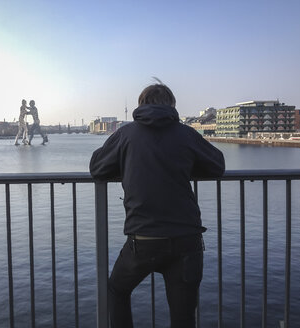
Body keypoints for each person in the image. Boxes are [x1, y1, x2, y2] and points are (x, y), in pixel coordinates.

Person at [89, 82, 225, 327]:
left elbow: (97, 168)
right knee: (183, 317)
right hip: (186, 239)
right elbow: (217, 166)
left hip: (143, 241)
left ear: (141, 105)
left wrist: (127, 163)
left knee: (117, 290)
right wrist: (184, 165)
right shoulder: (186, 134)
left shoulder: (126, 134)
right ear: (172, 105)